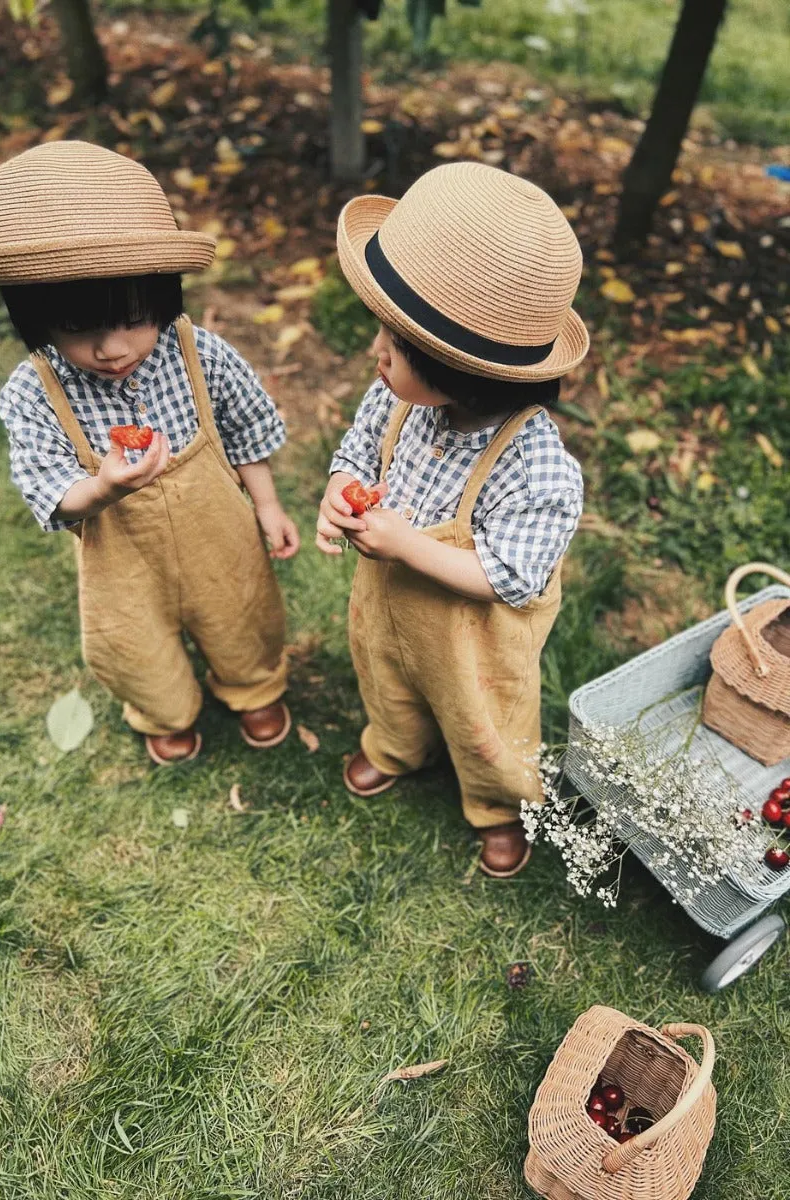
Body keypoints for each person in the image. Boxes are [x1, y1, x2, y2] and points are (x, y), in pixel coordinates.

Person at [316, 162, 588, 877]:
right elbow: (359, 451)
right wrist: (341, 489)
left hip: (476, 640)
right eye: (384, 330)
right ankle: (396, 746)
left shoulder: (535, 466)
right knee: (388, 679)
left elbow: (508, 577)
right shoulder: (398, 395)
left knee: (485, 723)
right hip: (389, 608)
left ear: (461, 373)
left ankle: (497, 806)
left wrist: (403, 543)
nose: (377, 353)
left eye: (397, 347)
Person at [0, 141, 299, 765]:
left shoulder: (197, 353)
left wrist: (266, 505)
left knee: (241, 607)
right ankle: (164, 708)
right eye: (82, 331)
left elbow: (244, 429)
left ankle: (251, 684)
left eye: (133, 320)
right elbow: (51, 489)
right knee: (132, 639)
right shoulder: (33, 393)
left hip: (218, 529)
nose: (112, 349)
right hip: (120, 552)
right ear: (37, 322)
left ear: (164, 297)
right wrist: (103, 487)